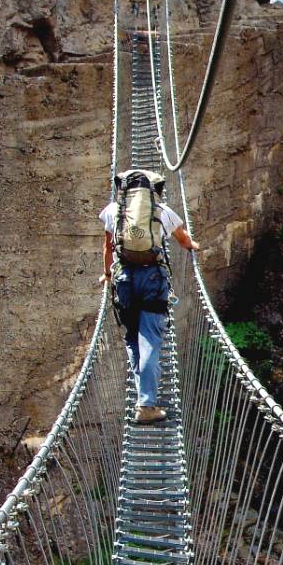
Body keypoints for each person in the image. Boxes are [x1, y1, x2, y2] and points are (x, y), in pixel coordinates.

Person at [99, 177, 199, 424]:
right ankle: (146, 404)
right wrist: (192, 245)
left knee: (133, 338)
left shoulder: (113, 211)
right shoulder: (162, 211)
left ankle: (143, 394)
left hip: (124, 281)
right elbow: (184, 240)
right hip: (153, 280)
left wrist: (108, 274)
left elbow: (108, 249)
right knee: (151, 339)